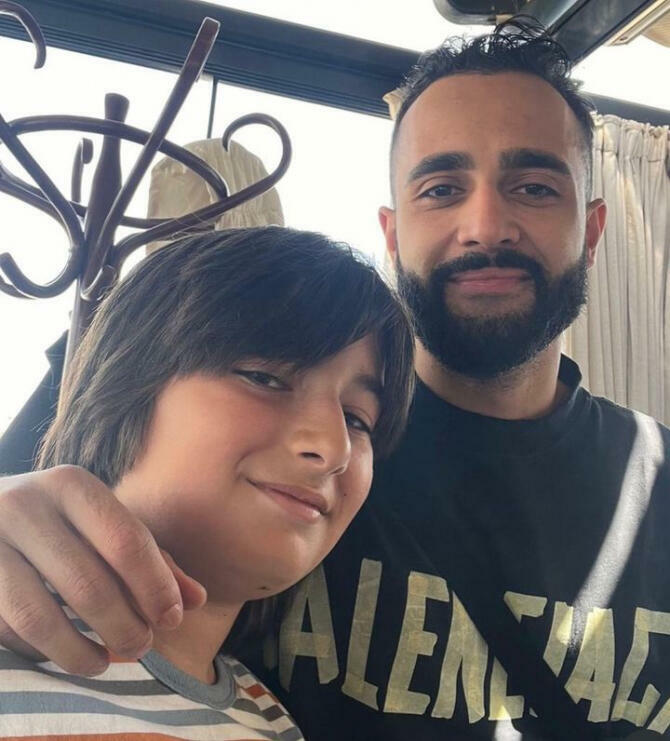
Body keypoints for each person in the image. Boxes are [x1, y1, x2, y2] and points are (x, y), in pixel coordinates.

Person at [0, 16, 669, 741]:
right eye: (441, 188)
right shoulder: (262, 462)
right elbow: (58, 490)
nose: (485, 224)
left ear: (591, 231)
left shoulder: (656, 482)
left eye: (534, 187)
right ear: (392, 235)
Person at [0, 226, 414, 739]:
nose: (333, 447)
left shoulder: (271, 722)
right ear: (122, 384)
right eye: (264, 378)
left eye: (358, 419)